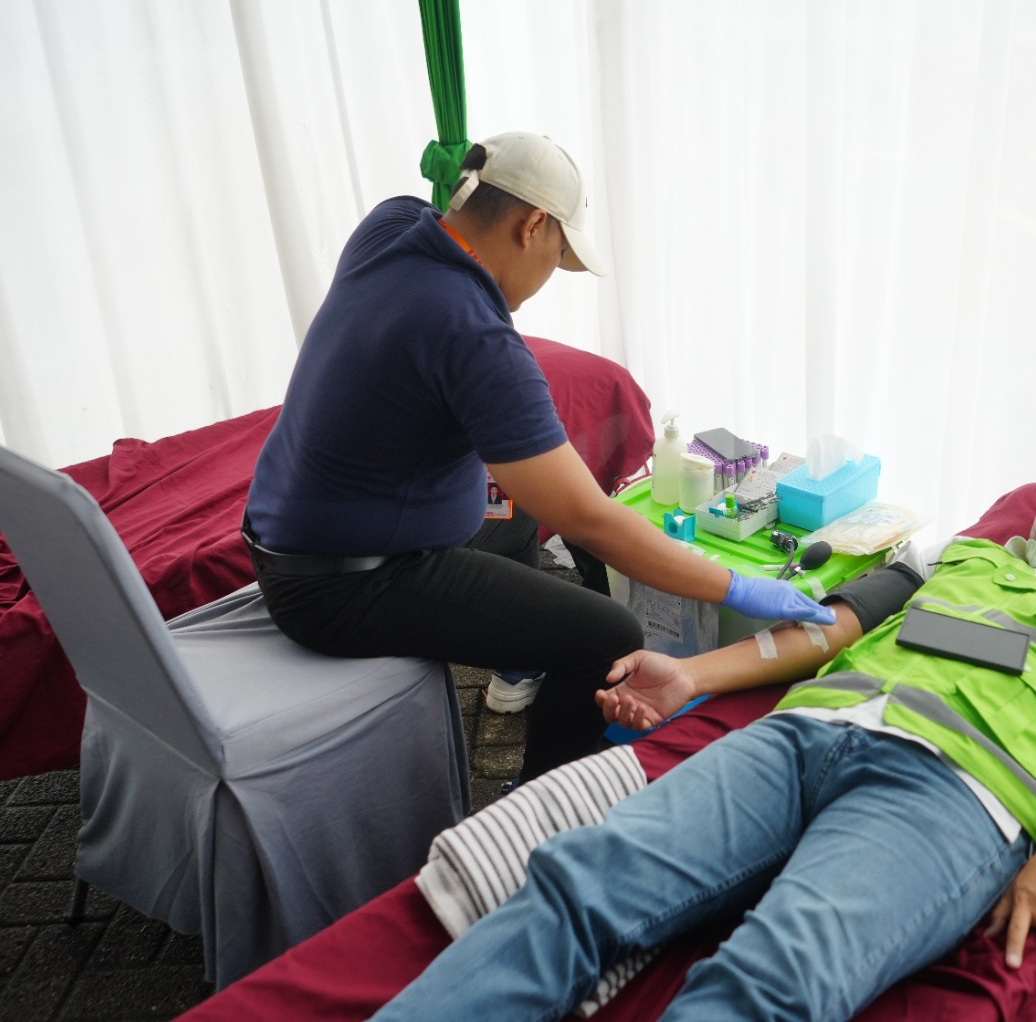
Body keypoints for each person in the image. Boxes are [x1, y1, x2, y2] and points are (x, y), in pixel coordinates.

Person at [372, 459, 1036, 1022]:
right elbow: (831, 628)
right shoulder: (960, 560)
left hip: (956, 791)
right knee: (579, 883)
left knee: (770, 980)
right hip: (799, 737)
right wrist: (691, 676)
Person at [242, 131, 832, 786]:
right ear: (531, 225)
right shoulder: (474, 335)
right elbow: (591, 519)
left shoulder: (391, 228)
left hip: (287, 534)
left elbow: (434, 224)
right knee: (605, 634)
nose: (551, 275)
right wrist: (736, 587)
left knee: (518, 513)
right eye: (558, 253)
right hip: (342, 588)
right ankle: (542, 806)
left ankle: (517, 665)